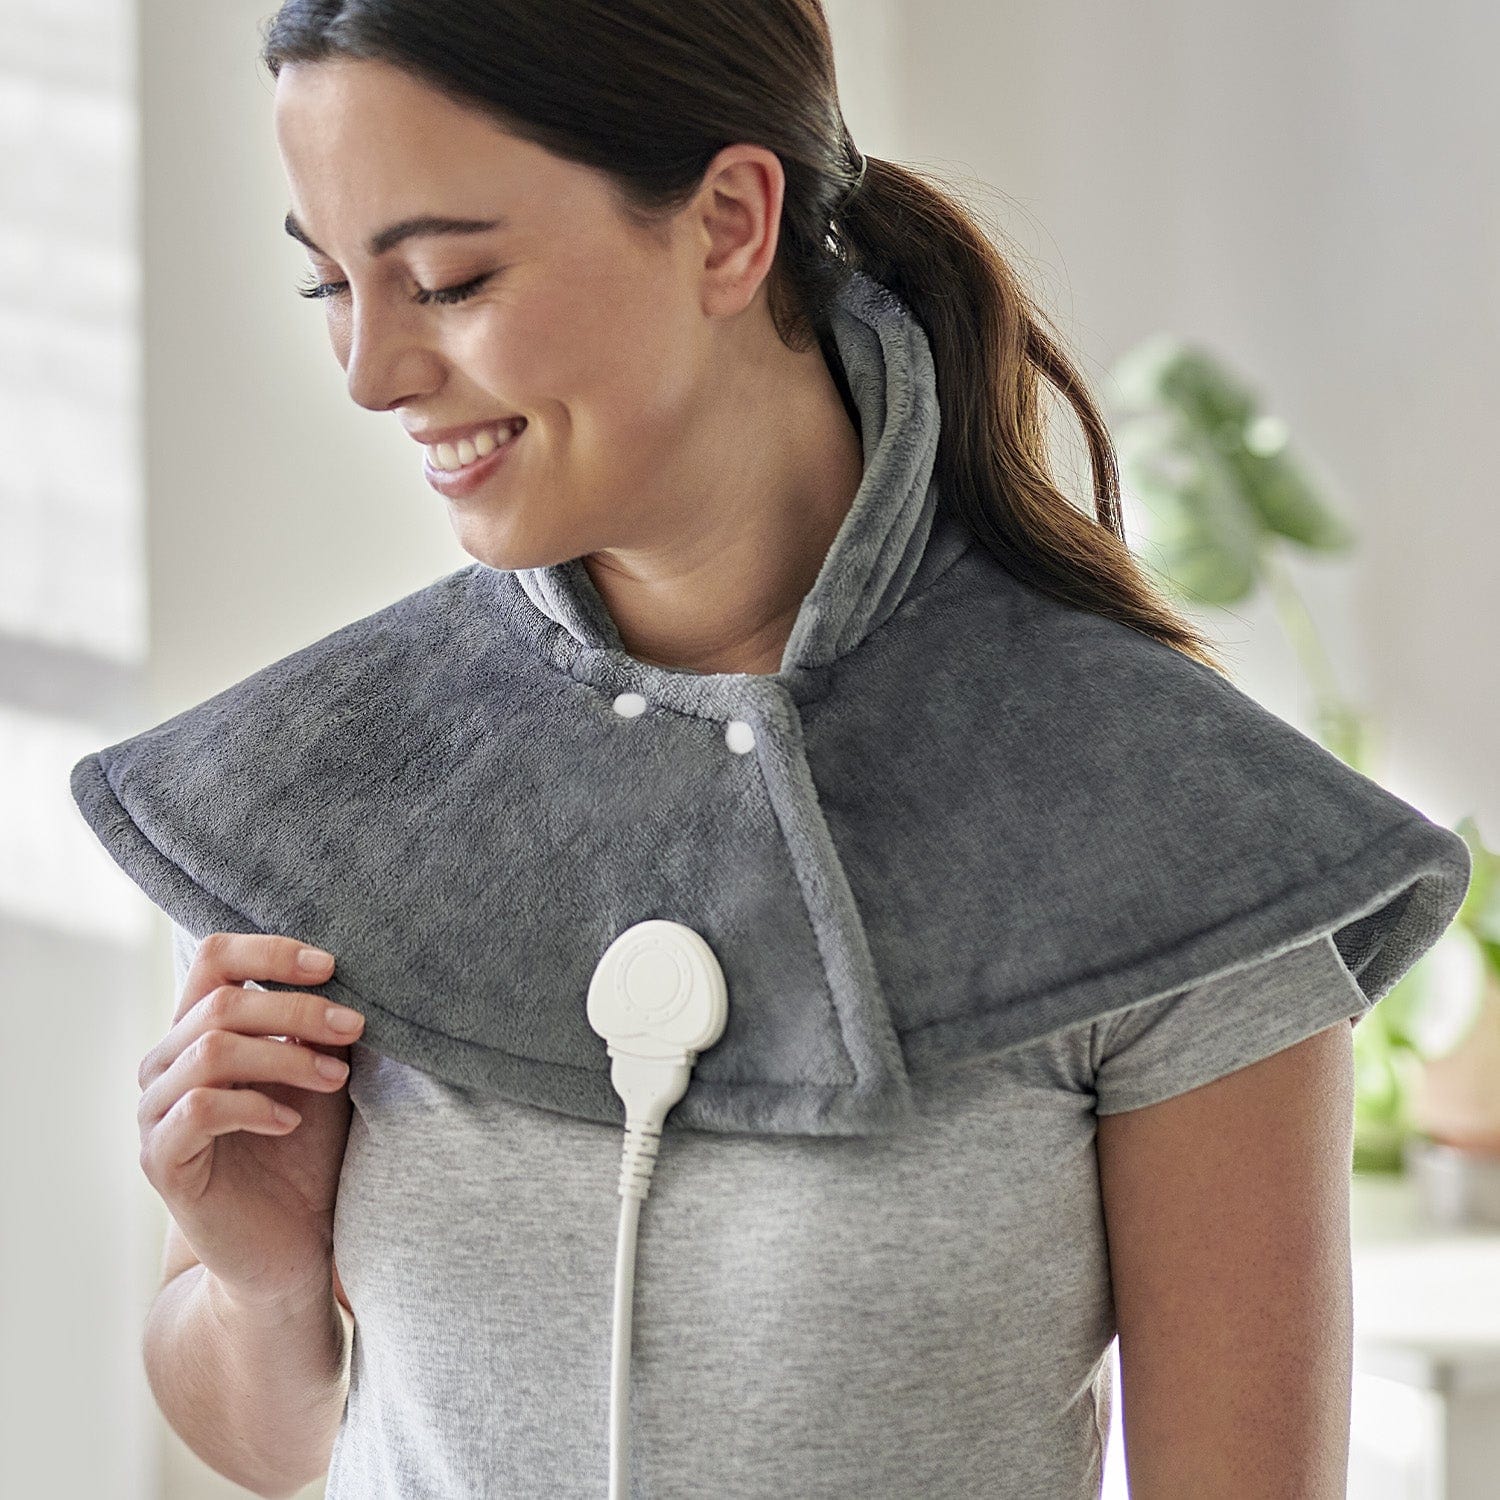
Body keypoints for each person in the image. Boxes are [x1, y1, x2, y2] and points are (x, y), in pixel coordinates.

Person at [132, 3, 1380, 1496]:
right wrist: (260, 1283)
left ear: (729, 224)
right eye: (329, 282)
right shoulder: (333, 788)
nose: (373, 372)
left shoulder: (1167, 833)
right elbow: (281, 1446)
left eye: (448, 278)